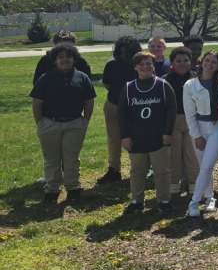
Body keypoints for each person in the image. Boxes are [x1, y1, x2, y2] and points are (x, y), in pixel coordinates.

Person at [30, 43, 95, 205]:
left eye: (68, 56)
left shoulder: (82, 77)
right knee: (52, 159)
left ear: (74, 59)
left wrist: (84, 121)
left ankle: (73, 188)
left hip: (74, 124)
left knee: (71, 158)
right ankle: (52, 189)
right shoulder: (45, 78)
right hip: (50, 124)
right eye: (60, 57)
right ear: (55, 60)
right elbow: (37, 103)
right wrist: (41, 123)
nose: (65, 60)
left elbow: (89, 101)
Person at [119, 50, 176, 215]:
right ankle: (137, 201)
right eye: (142, 64)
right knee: (137, 172)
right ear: (136, 67)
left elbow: (171, 110)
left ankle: (164, 201)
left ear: (153, 66)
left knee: (162, 171)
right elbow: (122, 114)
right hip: (136, 138)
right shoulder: (129, 88)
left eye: (149, 64)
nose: (145, 67)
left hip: (158, 137)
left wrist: (167, 132)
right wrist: (125, 136)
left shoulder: (163, 85)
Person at [184, 51, 218, 218]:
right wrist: (196, 135)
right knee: (204, 166)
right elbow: (189, 113)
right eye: (207, 61)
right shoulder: (190, 85)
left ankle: (193, 203)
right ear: (202, 62)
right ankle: (209, 197)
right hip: (200, 127)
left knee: (207, 165)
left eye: (214, 62)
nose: (210, 64)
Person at [98, 36, 141, 184]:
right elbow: (107, 84)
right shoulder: (111, 65)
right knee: (113, 139)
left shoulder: (140, 65)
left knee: (135, 138)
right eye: (124, 50)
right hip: (114, 105)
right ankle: (114, 169)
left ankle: (138, 168)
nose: (126, 54)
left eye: (130, 50)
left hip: (134, 107)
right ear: (119, 50)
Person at [164, 47, 199, 198]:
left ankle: (193, 186)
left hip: (193, 120)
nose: (182, 63)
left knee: (192, 155)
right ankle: (173, 186)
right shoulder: (165, 80)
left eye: (186, 60)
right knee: (174, 156)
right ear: (172, 63)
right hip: (173, 121)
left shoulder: (196, 79)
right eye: (178, 61)